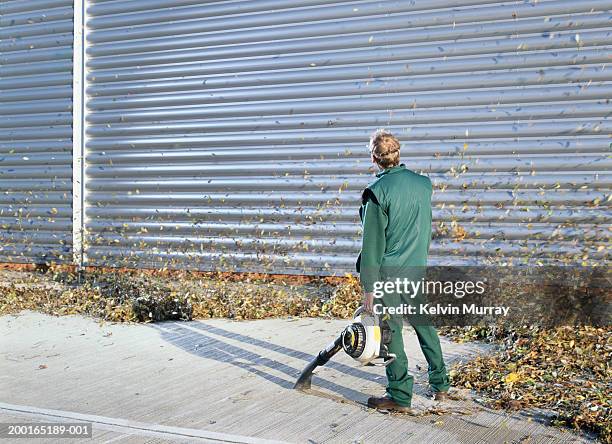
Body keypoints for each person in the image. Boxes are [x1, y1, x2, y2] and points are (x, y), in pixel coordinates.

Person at [356, 129, 450, 413]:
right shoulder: (423, 185)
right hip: (415, 268)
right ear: (398, 153)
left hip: (389, 273)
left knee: (391, 330)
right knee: (423, 324)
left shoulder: (378, 193)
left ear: (374, 158)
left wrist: (368, 288)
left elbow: (373, 245)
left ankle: (399, 394)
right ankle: (441, 384)